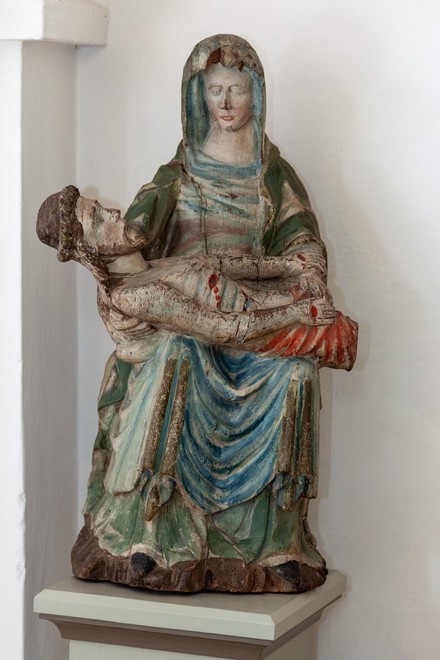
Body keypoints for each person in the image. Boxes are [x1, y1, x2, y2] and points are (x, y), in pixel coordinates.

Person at [40, 34, 358, 592]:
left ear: (257, 94)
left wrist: (303, 271)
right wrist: (110, 247)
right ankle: (152, 535)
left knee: (296, 370)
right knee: (178, 352)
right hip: (190, 320)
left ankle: (273, 541)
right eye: (215, 90)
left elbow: (301, 241)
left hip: (249, 308)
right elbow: (131, 236)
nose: (226, 102)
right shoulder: (176, 174)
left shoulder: (274, 176)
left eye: (237, 89)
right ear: (197, 96)